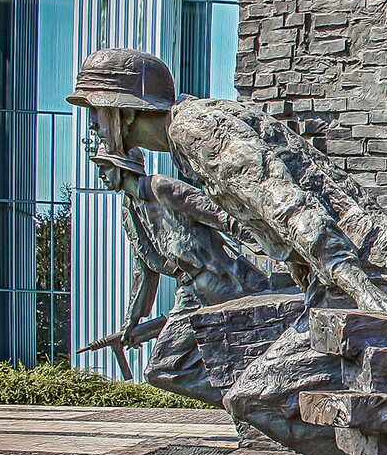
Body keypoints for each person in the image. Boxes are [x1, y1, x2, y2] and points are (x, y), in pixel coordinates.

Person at [69, 49, 387, 455]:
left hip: (376, 277)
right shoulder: (191, 132)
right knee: (261, 395)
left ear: (124, 111)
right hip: (339, 280)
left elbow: (287, 204)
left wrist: (363, 290)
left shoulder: (195, 129)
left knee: (258, 396)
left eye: (94, 111)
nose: (92, 126)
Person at [90, 147, 276, 406]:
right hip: (188, 291)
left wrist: (272, 248)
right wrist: (132, 320)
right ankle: (246, 402)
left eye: (105, 167)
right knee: (161, 369)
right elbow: (143, 271)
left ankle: (255, 404)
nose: (100, 174)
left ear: (123, 166)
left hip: (222, 281)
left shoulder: (161, 187)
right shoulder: (129, 211)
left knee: (251, 349)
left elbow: (220, 215)